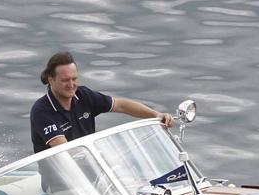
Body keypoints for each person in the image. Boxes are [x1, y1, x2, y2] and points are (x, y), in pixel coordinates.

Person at [29, 51, 174, 153]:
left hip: (93, 172)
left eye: (74, 79)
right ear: (51, 80)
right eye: (65, 80)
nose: (71, 85)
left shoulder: (83, 95)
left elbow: (121, 105)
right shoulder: (42, 111)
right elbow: (66, 151)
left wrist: (156, 115)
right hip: (61, 181)